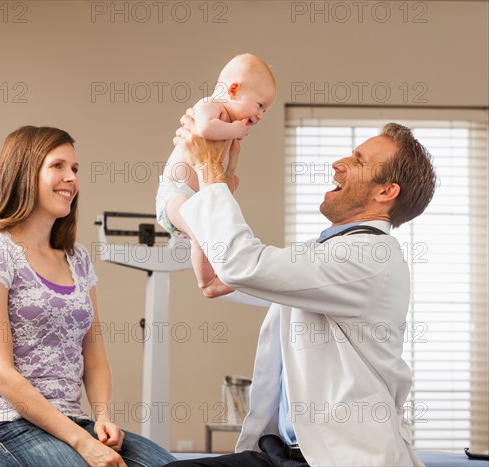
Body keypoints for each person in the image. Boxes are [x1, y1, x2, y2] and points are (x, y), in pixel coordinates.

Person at [165, 120, 437, 466]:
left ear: (386, 192)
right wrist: (208, 189)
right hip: (285, 453)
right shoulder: (325, 251)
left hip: (343, 457)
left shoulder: (369, 256)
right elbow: (216, 280)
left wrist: (210, 169)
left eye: (358, 160)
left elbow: (238, 263)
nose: (339, 164)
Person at [0, 126, 177, 467]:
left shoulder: (77, 259)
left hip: (71, 421)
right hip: (5, 423)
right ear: (24, 172)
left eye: (74, 169)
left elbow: (95, 358)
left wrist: (102, 418)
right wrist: (83, 444)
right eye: (58, 166)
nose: (71, 178)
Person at [156, 53, 276, 298]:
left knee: (212, 229)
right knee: (203, 231)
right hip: (175, 193)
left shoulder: (228, 128)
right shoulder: (210, 105)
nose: (261, 115)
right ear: (233, 90)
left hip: (196, 195)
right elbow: (204, 128)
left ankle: (218, 273)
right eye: (260, 105)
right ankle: (208, 282)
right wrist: (235, 129)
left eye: (266, 110)